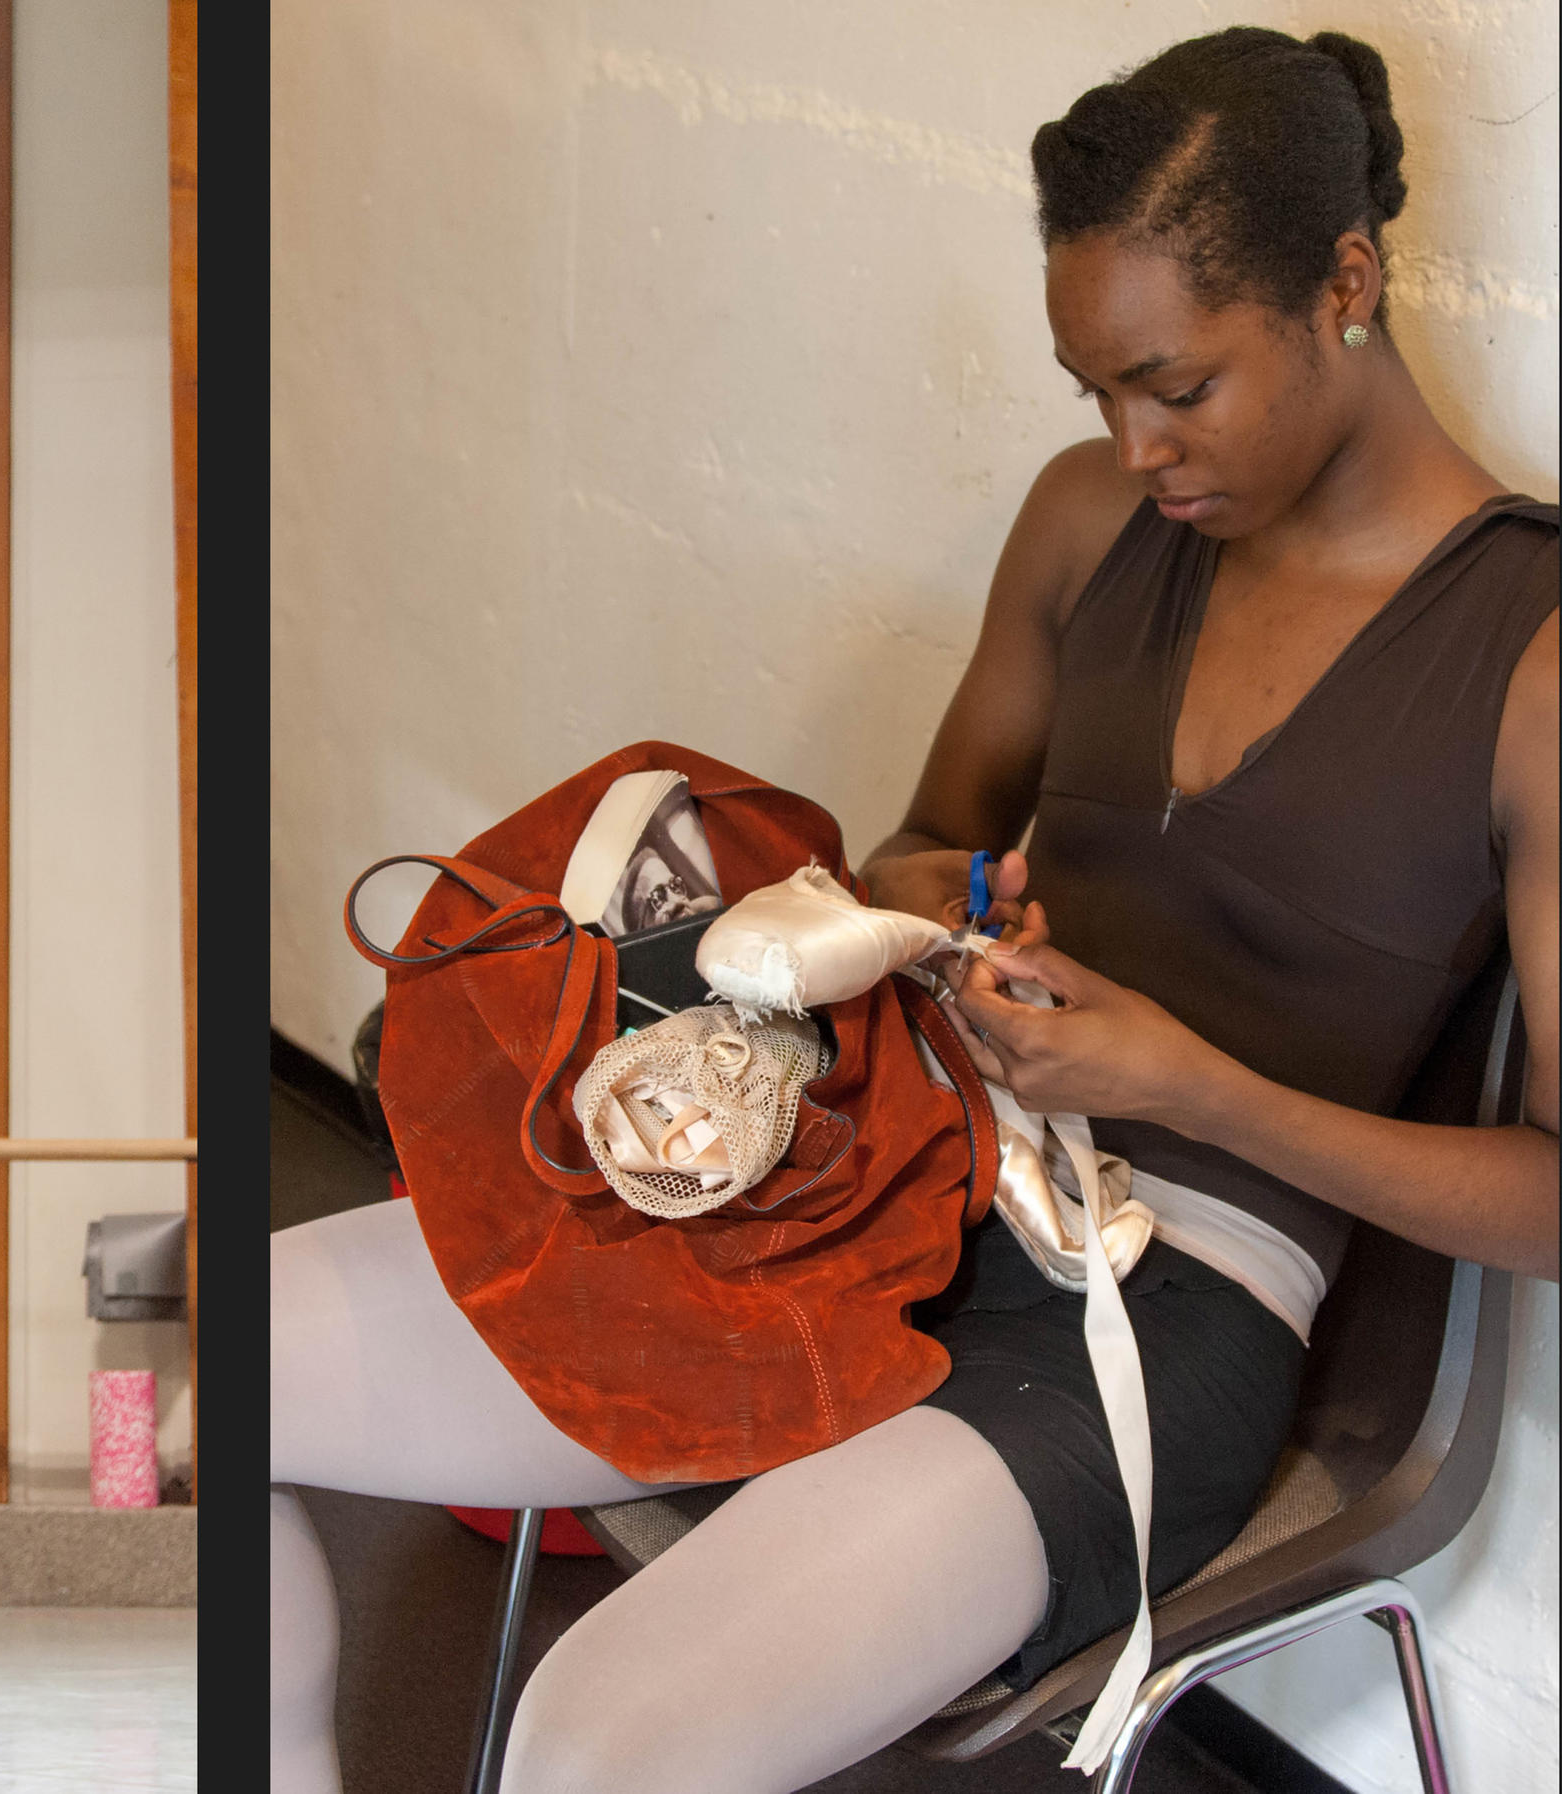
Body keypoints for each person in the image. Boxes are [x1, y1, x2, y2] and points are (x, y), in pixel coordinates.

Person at [272, 26, 1556, 1793]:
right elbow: (933, 833)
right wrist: (916, 903)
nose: (1134, 443)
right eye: (1092, 387)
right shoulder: (1090, 521)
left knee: (587, 1745)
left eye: (1177, 386)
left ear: (1346, 284)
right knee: (196, 1376)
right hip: (878, 1166)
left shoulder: (1531, 653)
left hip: (1156, 1317)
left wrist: (1195, 1087)